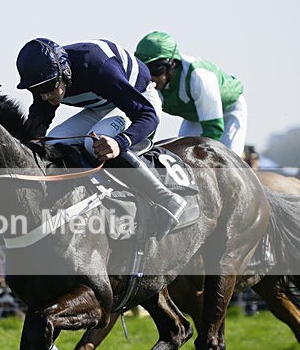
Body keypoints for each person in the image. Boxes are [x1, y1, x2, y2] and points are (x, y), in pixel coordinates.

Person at [15, 37, 186, 239]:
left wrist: (120, 142)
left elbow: (148, 115)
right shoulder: (45, 78)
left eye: (48, 88)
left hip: (139, 99)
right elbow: (37, 127)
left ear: (65, 73)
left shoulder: (98, 68)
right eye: (36, 90)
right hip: (102, 104)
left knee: (92, 142)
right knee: (52, 142)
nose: (43, 96)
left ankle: (166, 198)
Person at [134, 31, 248, 156]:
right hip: (194, 116)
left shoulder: (198, 76)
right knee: (179, 158)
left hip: (227, 111)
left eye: (156, 69)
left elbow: (213, 129)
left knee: (227, 160)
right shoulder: (150, 84)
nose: (150, 77)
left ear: (172, 64)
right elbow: (149, 124)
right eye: (144, 69)